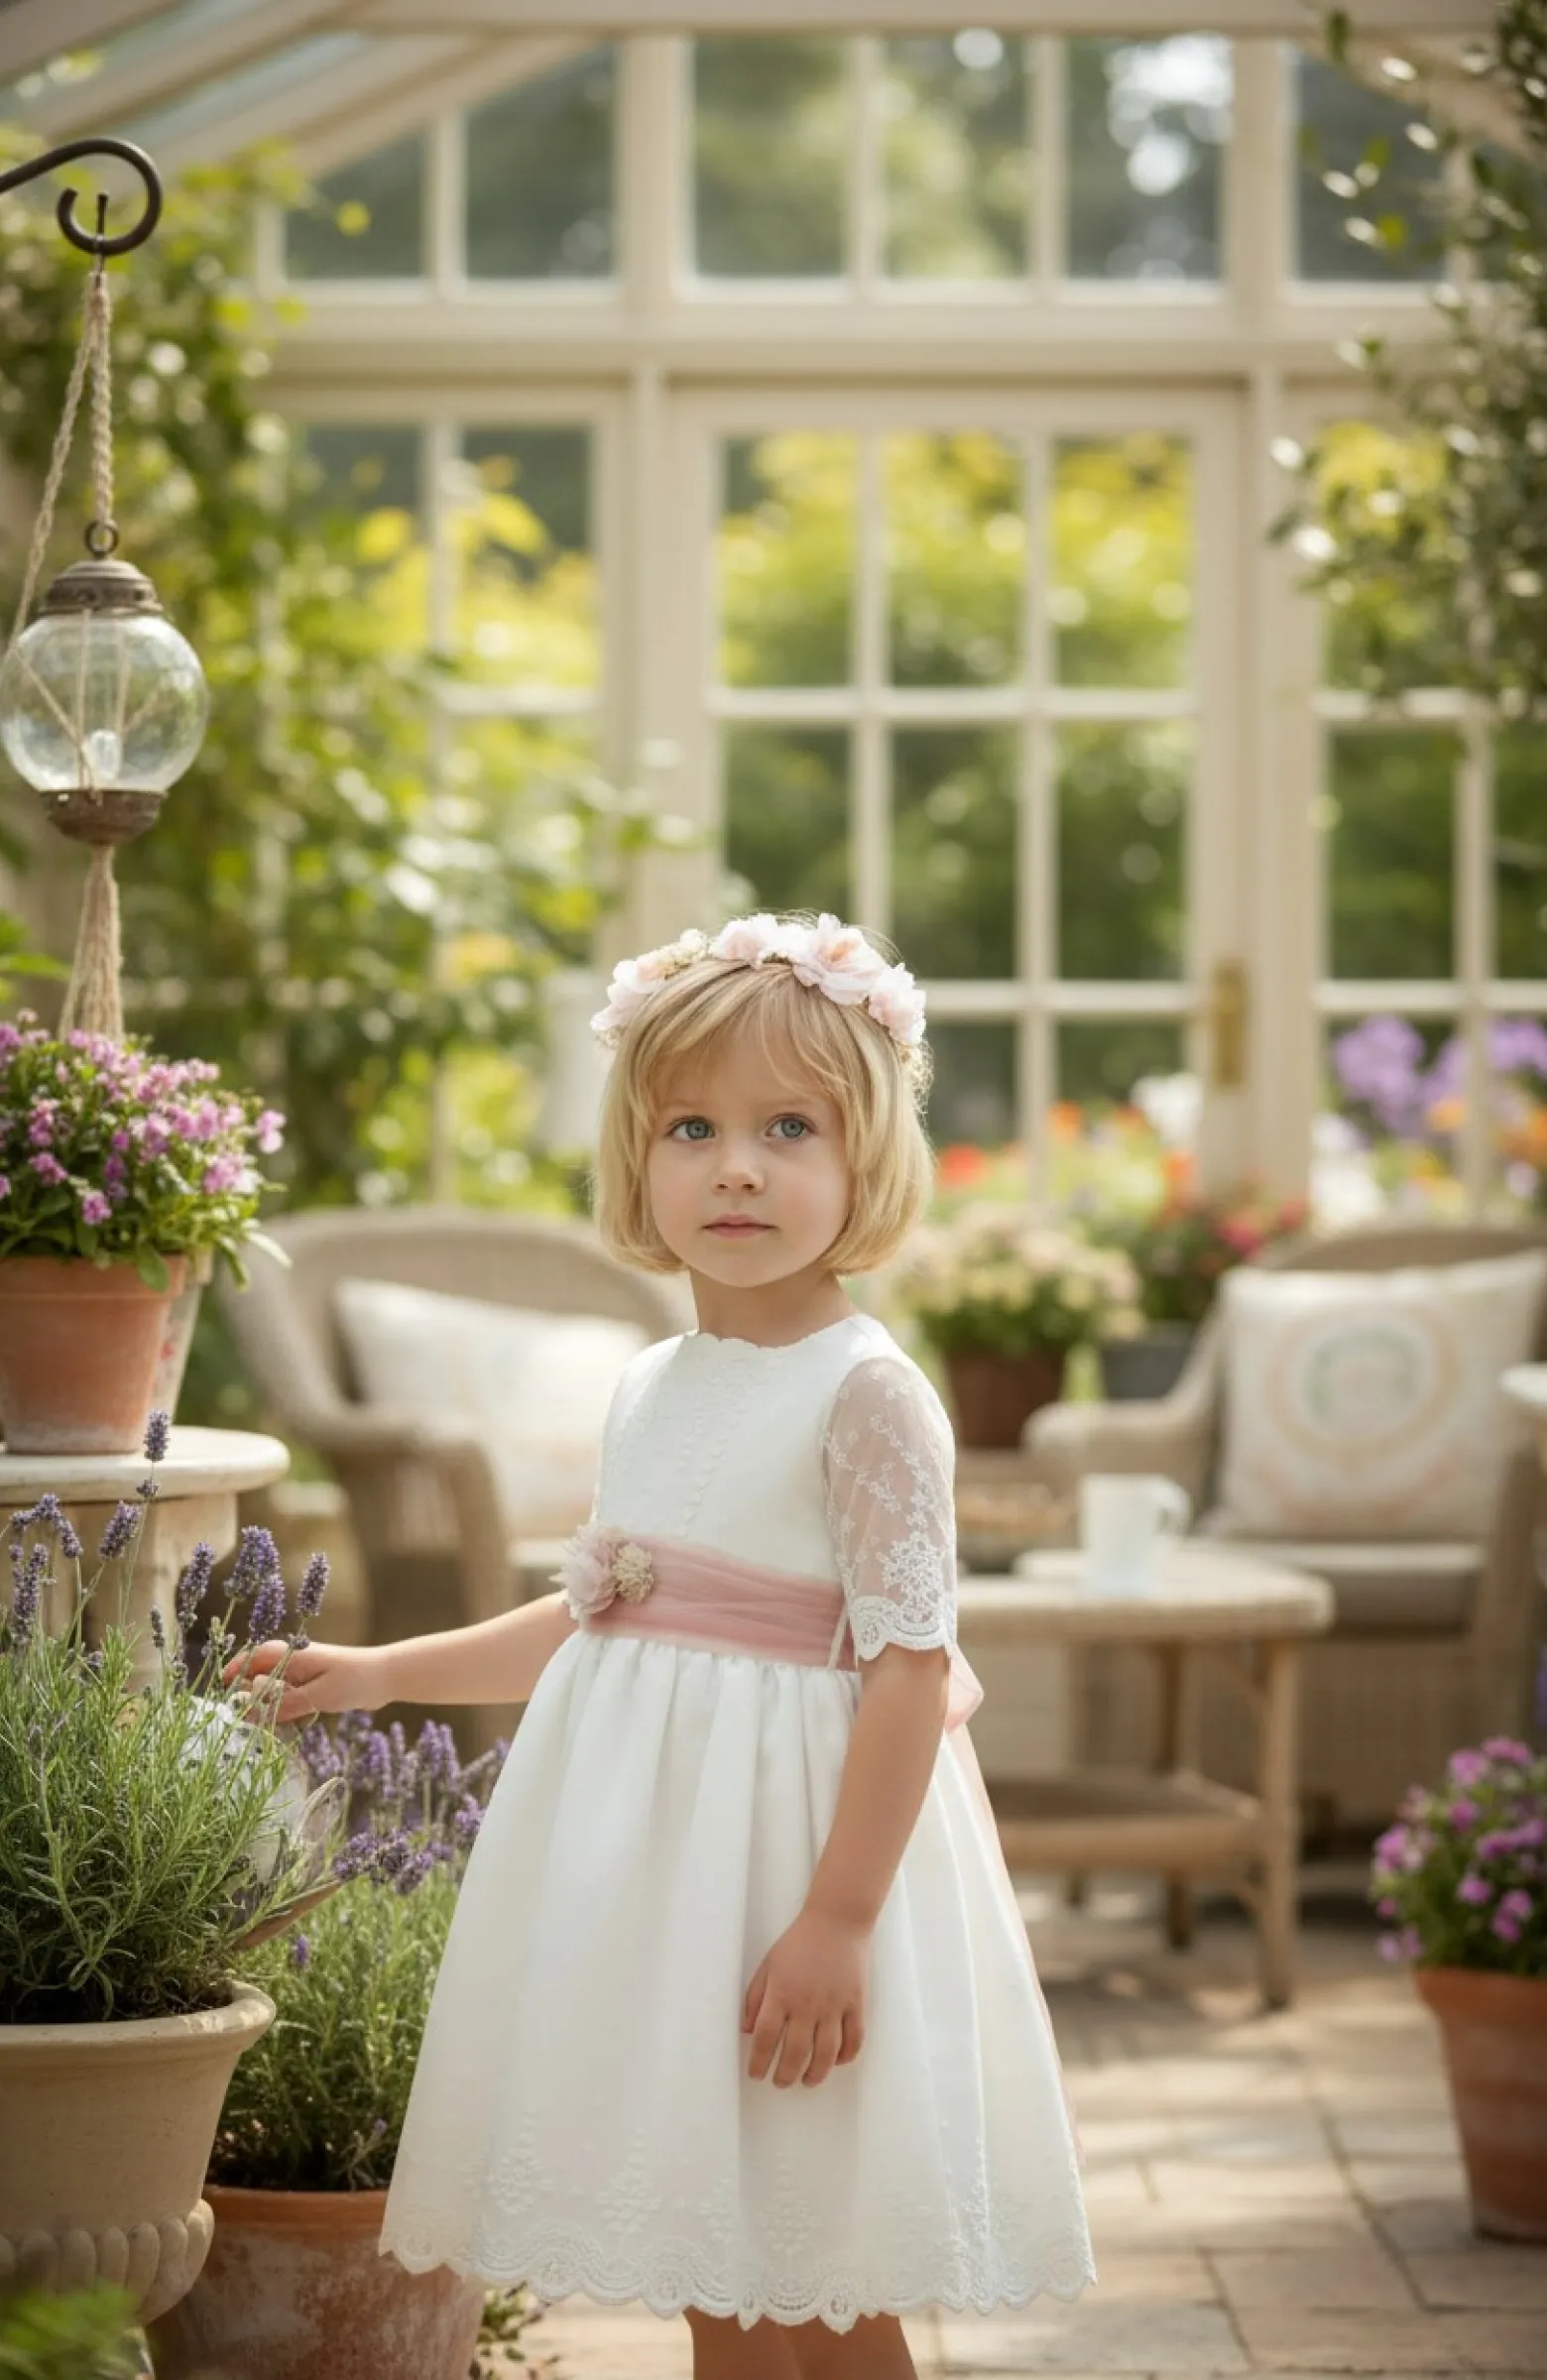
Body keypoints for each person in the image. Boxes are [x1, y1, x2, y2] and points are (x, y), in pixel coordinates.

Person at [232, 909, 1095, 2378]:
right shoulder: (652, 1383)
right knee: (722, 2262)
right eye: (690, 1126)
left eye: (788, 1128)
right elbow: (599, 1615)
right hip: (664, 1885)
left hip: (795, 1867)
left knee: (820, 2260)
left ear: (866, 1158)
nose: (737, 1166)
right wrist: (383, 1674)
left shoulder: (868, 1395)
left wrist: (835, 1922)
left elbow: (904, 1672)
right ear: (637, 1157)